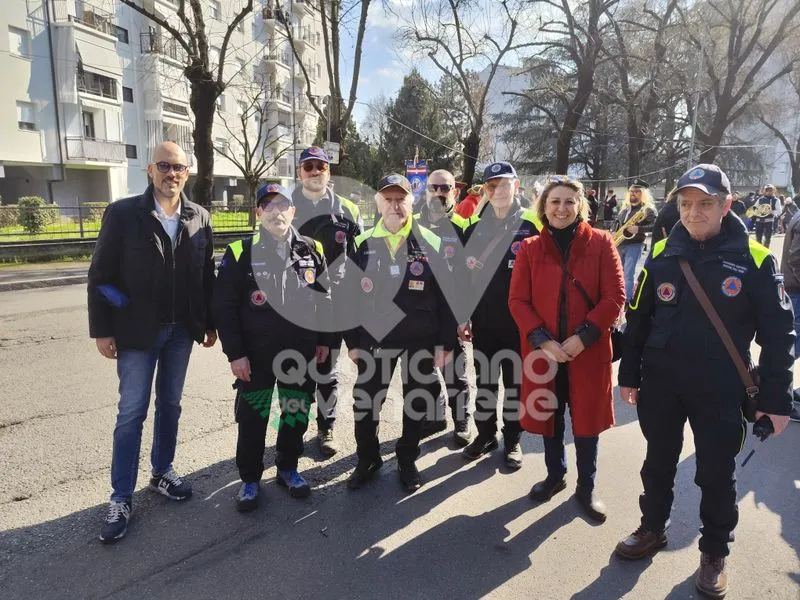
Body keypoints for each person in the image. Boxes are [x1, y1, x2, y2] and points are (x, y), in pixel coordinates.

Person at [615, 164, 794, 599]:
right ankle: (652, 528)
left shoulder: (755, 259)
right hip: (661, 383)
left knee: (716, 474)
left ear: (727, 205)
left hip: (719, 386)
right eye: (686, 203)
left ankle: (714, 552)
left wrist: (777, 400)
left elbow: (779, 336)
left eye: (705, 204)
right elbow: (638, 320)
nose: (693, 213)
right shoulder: (660, 254)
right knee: (657, 462)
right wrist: (629, 373)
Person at [88, 141, 217, 543]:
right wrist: (103, 329)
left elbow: (205, 277)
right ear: (150, 170)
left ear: (187, 173)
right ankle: (121, 497)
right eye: (164, 165)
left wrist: (208, 323)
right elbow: (100, 274)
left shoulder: (199, 217)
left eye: (178, 167)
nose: (171, 173)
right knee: (131, 413)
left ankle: (162, 471)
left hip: (181, 332)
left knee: (172, 405)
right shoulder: (125, 214)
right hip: (136, 333)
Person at [508, 175, 625, 522]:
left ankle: (586, 488)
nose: (562, 208)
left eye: (569, 201)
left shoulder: (602, 243)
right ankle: (555, 475)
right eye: (554, 201)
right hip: (544, 353)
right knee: (550, 417)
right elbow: (517, 300)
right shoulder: (530, 248)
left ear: (580, 207)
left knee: (586, 423)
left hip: (586, 352)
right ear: (544, 206)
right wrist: (542, 339)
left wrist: (583, 336)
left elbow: (615, 296)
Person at [213, 183, 332, 511]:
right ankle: (250, 478)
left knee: (295, 414)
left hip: (301, 352)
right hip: (255, 357)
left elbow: (326, 299)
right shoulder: (240, 252)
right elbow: (224, 307)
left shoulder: (312, 249)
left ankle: (287, 468)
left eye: (283, 206)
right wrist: (235, 353)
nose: (276, 212)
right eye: (268, 206)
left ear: (293, 211)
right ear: (258, 213)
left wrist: (325, 341)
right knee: (253, 417)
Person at [343, 174, 457, 492]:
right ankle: (368, 458)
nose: (394, 205)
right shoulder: (362, 244)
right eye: (388, 199)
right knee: (366, 403)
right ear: (379, 203)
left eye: (400, 199)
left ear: (411, 202)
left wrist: (446, 343)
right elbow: (347, 299)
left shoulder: (430, 243)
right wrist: (352, 343)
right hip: (375, 341)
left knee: (416, 403)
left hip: (420, 340)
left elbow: (448, 299)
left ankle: (407, 459)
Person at [456, 161, 542, 469]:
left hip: (520, 325)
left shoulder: (534, 223)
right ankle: (486, 434)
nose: (498, 190)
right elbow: (465, 276)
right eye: (491, 186)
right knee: (486, 383)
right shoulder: (476, 225)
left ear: (516, 186)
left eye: (504, 184)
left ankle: (513, 440)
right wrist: (464, 315)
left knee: (516, 385)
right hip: (485, 321)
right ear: (485, 191)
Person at [291, 146, 362, 457]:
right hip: (294, 305)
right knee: (295, 372)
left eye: (321, 166)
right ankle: (294, 431)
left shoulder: (348, 209)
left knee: (326, 371)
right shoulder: (286, 206)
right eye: (309, 167)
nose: (315, 171)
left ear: (328, 172)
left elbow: (360, 257)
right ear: (299, 173)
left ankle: (326, 426)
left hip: (333, 305)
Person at [415, 169, 473, 445]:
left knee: (454, 372)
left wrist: (465, 317)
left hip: (451, 314)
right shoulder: (410, 224)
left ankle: (462, 420)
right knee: (423, 370)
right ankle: (435, 417)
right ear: (426, 191)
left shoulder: (465, 227)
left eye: (445, 188)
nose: (439, 193)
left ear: (455, 192)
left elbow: (472, 279)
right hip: (420, 313)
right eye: (434, 187)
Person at [613, 179, 658, 301]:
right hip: (620, 244)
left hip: (635, 244)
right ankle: (616, 296)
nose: (633, 193)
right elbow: (617, 223)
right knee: (617, 273)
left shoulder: (647, 209)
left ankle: (626, 299)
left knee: (628, 274)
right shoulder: (624, 208)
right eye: (632, 191)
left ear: (643, 193)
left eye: (637, 191)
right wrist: (613, 231)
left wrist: (638, 229)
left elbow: (655, 226)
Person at [779, 205, 800, 422]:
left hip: (794, 289)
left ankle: (787, 393)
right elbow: (797, 260)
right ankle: (781, 398)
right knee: (790, 348)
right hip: (796, 291)